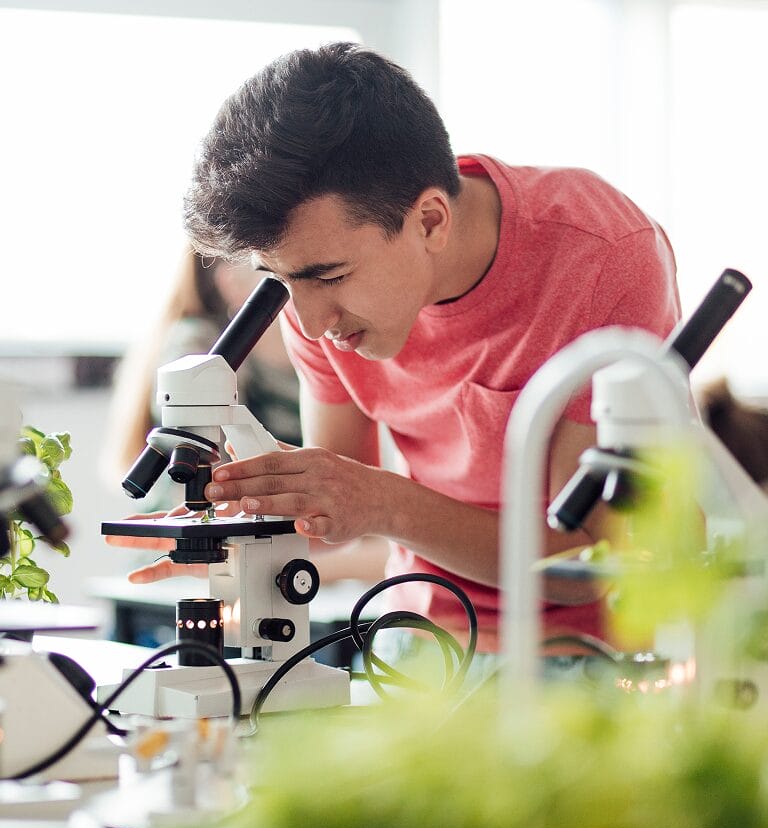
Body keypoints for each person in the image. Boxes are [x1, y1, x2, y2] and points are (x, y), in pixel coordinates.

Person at [118, 42, 681, 665]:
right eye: (279, 281)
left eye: (328, 277)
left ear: (431, 222)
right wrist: (247, 512)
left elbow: (583, 557)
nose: (306, 321)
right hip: (419, 633)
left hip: (590, 653)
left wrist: (381, 500)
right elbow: (331, 503)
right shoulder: (313, 295)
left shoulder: (604, 256)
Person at [104, 246, 388, 583]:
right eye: (276, 272)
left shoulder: (336, 352)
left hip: (267, 561)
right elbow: (222, 506)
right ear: (230, 282)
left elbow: (344, 515)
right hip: (181, 572)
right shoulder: (201, 348)